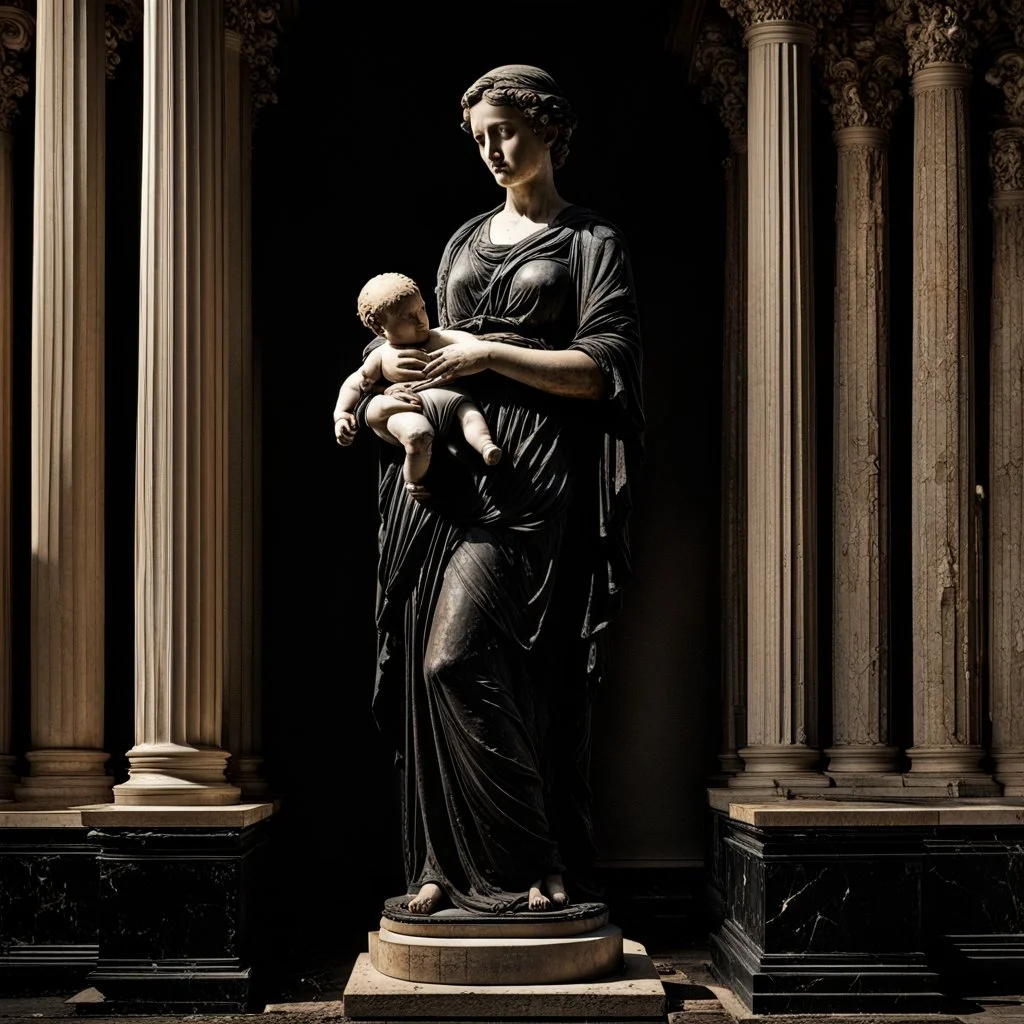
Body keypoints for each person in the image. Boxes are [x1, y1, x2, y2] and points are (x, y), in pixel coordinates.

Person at [335, 64, 643, 915]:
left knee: (467, 660)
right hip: (443, 481)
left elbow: (604, 371)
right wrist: (392, 373)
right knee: (439, 671)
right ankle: (444, 867)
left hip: (530, 473)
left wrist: (490, 355)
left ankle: (535, 861)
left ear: (547, 127)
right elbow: (424, 339)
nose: (492, 149)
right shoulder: (467, 240)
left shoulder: (590, 243)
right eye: (479, 138)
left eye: (505, 129)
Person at [335, 273, 502, 497]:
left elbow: (475, 345)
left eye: (421, 308)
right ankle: (413, 481)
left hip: (449, 402)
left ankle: (485, 446)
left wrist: (477, 352)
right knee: (417, 435)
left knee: (470, 415)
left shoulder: (440, 337)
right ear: (379, 327)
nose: (421, 319)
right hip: (408, 408)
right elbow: (356, 383)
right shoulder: (381, 355)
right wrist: (342, 413)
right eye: (408, 316)